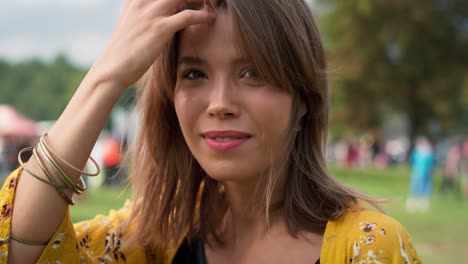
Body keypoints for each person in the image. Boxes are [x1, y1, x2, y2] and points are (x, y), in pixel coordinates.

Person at [0, 0, 421, 263]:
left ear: (304, 96)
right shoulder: (157, 238)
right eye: (195, 73)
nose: (219, 102)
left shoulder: (367, 249)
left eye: (252, 72)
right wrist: (107, 75)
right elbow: (20, 250)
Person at [406, 137, 436, 213]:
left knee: (425, 190)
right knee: (415, 189)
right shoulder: (417, 153)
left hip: (427, 175)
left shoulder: (429, 154)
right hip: (417, 174)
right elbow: (413, 162)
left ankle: (423, 205)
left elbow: (433, 163)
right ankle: (412, 204)